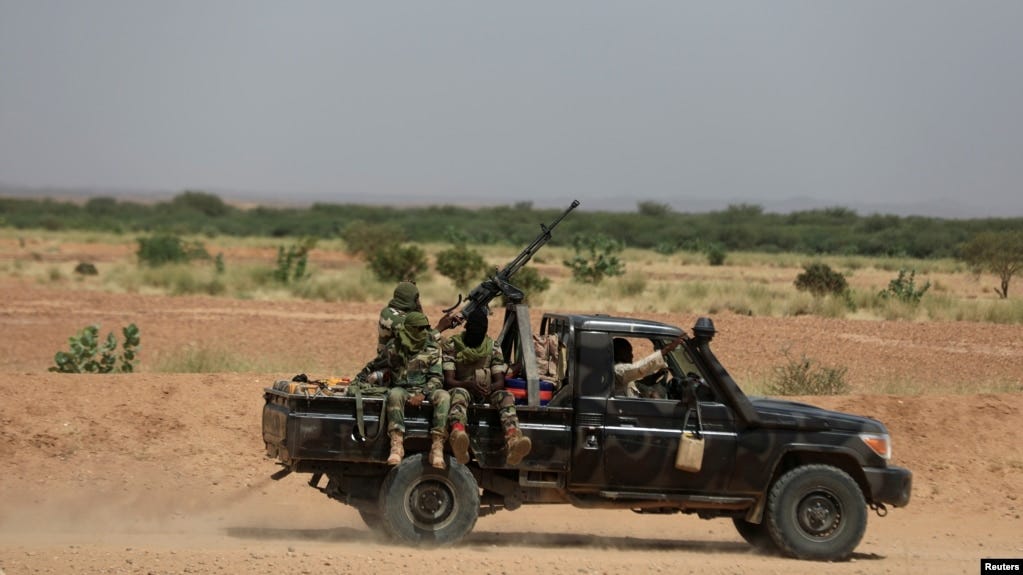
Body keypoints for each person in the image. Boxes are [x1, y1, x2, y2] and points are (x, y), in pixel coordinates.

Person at [357, 311, 452, 469]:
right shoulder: (395, 346)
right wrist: (362, 377)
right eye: (419, 329)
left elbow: (437, 378)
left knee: (444, 396)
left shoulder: (433, 348)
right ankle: (396, 445)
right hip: (402, 388)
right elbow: (377, 364)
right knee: (394, 394)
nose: (423, 332)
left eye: (425, 328)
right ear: (409, 329)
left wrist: (423, 394)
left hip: (425, 390)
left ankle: (437, 446)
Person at [441, 307, 532, 466]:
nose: (477, 333)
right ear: (467, 328)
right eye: (474, 329)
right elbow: (450, 381)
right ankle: (458, 435)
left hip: (486, 390)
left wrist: (491, 388)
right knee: (458, 394)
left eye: (481, 330)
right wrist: (468, 385)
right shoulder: (453, 345)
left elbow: (499, 381)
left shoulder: (493, 347)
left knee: (505, 397)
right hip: (464, 387)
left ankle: (513, 440)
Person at [377, 281, 458, 354]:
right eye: (416, 298)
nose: (418, 301)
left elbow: (422, 326)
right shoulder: (401, 320)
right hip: (394, 365)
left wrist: (410, 292)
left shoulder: (388, 310)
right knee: (441, 349)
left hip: (390, 358)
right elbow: (422, 342)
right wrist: (441, 327)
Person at [612, 336, 684, 398]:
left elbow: (636, 384)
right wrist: (667, 349)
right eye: (628, 352)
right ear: (619, 353)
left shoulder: (621, 372)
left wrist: (656, 375)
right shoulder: (618, 370)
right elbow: (639, 368)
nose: (631, 356)